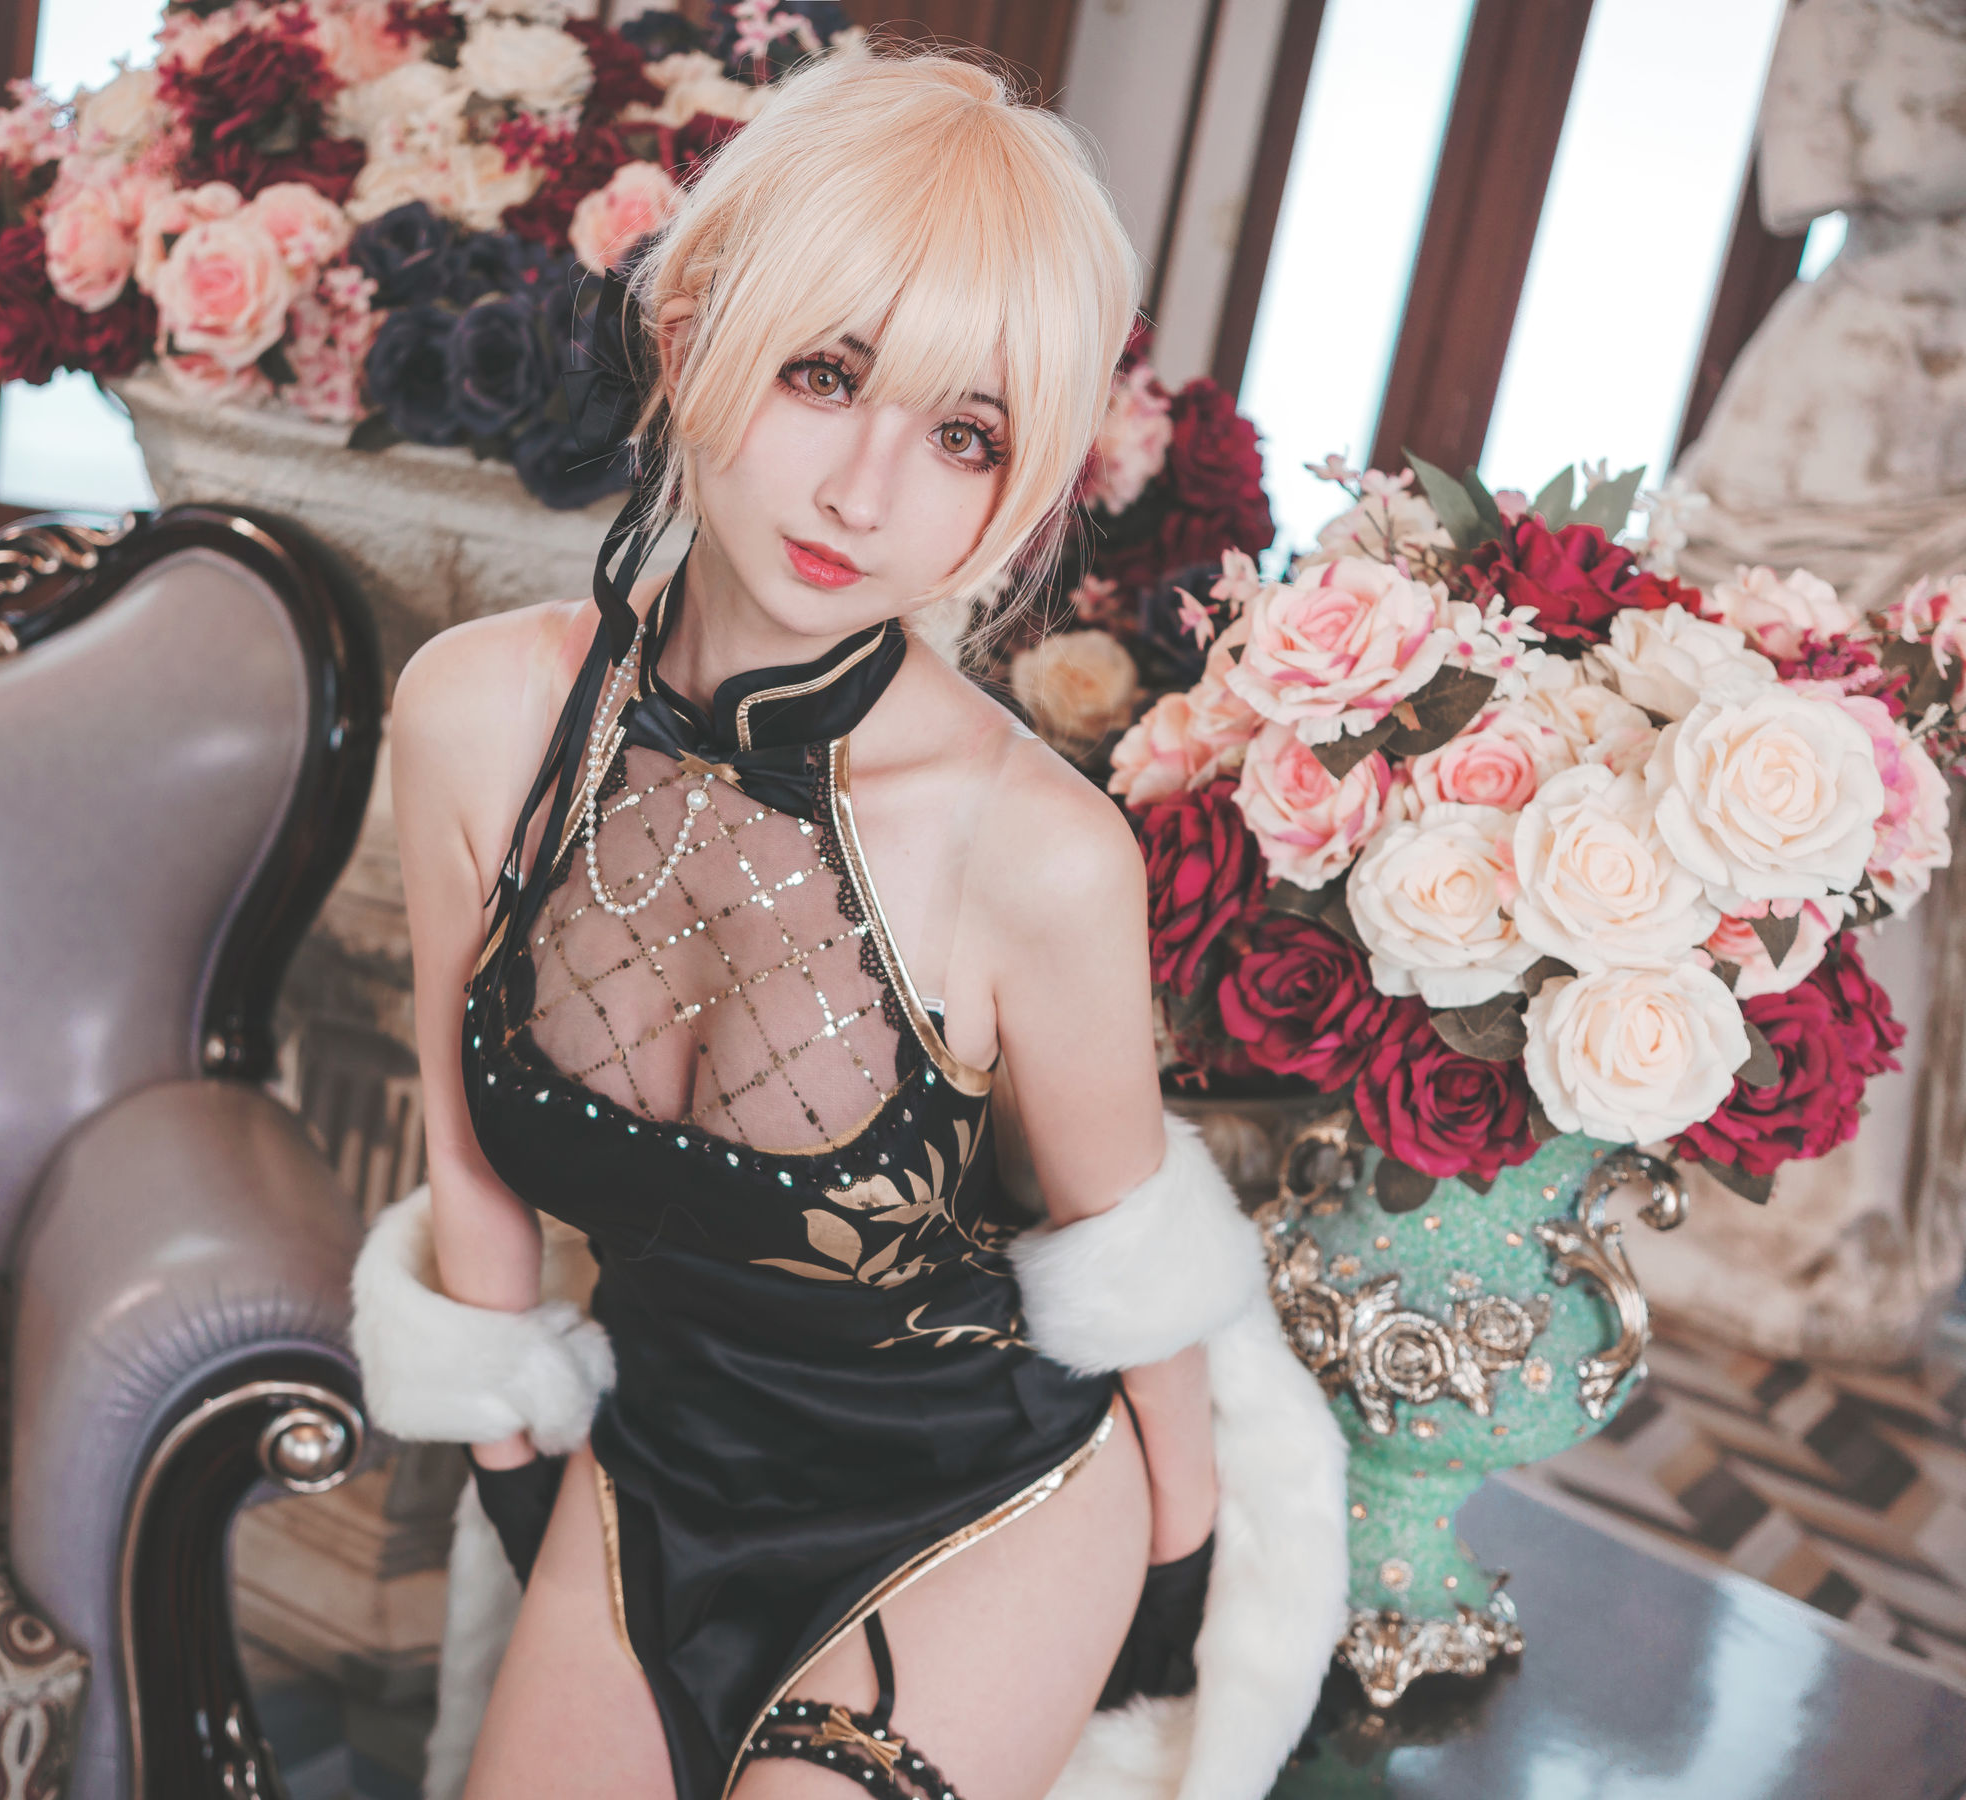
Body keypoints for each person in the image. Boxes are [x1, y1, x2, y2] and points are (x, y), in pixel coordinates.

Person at [353, 46, 1327, 1800]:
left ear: (1023, 489)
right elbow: (468, 1150)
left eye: (965, 435)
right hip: (655, 1468)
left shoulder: (1037, 852)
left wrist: (1177, 1603)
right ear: (689, 337)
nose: (865, 494)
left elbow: (1132, 1277)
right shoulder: (477, 717)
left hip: (984, 1507)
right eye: (827, 373)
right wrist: (508, 1455)